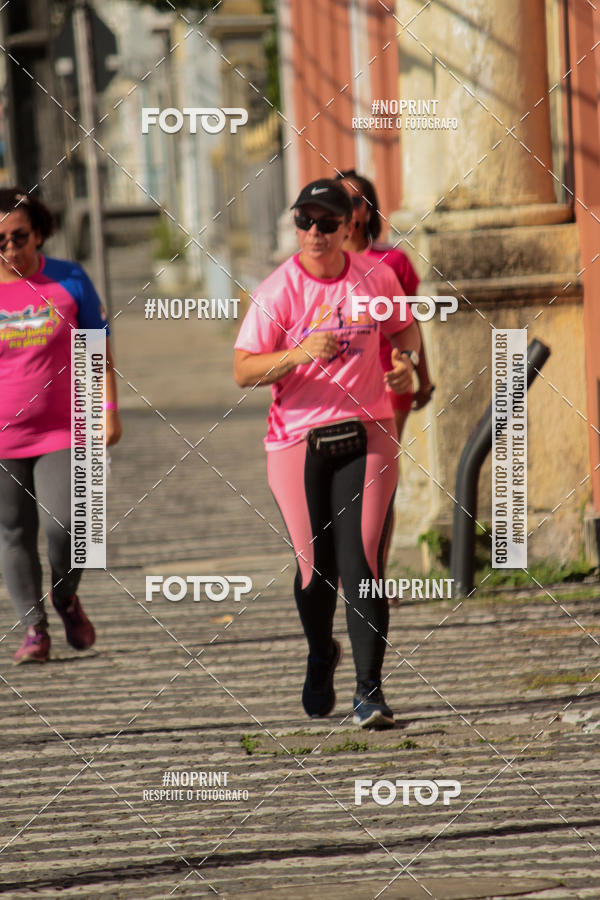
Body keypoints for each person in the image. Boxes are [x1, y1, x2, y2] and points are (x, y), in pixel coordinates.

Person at [233, 178, 420, 728]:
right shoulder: (278, 290)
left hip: (369, 428)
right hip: (297, 439)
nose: (314, 233)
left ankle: (370, 692)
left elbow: (405, 334)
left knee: (363, 560)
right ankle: (321, 652)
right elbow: (243, 369)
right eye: (304, 221)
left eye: (326, 223)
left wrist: (405, 366)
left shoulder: (376, 277)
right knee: (316, 571)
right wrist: (295, 353)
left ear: (348, 226)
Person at [0, 188, 122, 664]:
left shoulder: (69, 279)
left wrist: (108, 408)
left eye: (19, 237)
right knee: (12, 532)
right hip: (5, 436)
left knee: (71, 525)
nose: (10, 249)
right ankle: (34, 630)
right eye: (0, 241)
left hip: (66, 429)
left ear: (39, 233)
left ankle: (65, 595)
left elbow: (97, 346)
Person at [336, 169, 435, 441]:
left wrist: (423, 380)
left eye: (355, 202)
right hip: (337, 387)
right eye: (339, 201)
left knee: (380, 470)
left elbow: (412, 325)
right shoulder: (320, 268)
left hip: (389, 381)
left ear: (368, 213)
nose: (347, 209)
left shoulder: (393, 261)